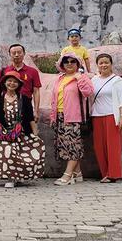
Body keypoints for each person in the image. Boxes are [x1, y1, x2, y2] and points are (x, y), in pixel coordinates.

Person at [0, 71, 45, 188]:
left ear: (19, 84)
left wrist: (35, 132)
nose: (12, 84)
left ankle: (19, 176)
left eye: (15, 82)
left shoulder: (25, 99)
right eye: (9, 81)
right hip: (5, 132)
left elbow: (30, 118)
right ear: (5, 83)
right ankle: (10, 177)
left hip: (21, 132)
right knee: (6, 151)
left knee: (22, 153)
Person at [50, 52, 94, 185]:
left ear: (77, 64)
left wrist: (79, 78)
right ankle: (78, 173)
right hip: (60, 116)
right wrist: (53, 116)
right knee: (65, 146)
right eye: (66, 62)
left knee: (74, 146)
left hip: (74, 117)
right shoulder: (60, 78)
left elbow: (88, 92)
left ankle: (67, 175)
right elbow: (54, 99)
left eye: (72, 61)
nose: (69, 64)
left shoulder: (82, 77)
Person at [90, 53, 122, 183]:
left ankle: (113, 174)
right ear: (97, 65)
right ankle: (105, 172)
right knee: (99, 146)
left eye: (106, 62)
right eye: (101, 63)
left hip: (112, 115)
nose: (104, 65)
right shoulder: (93, 80)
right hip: (97, 115)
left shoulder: (118, 80)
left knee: (113, 146)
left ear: (111, 64)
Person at [0, 44, 42, 122]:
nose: (16, 55)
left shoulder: (32, 72)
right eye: (14, 53)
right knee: (6, 132)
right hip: (7, 107)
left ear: (24, 53)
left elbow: (36, 91)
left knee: (26, 132)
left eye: (19, 52)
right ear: (9, 55)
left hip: (26, 107)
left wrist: (36, 110)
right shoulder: (4, 71)